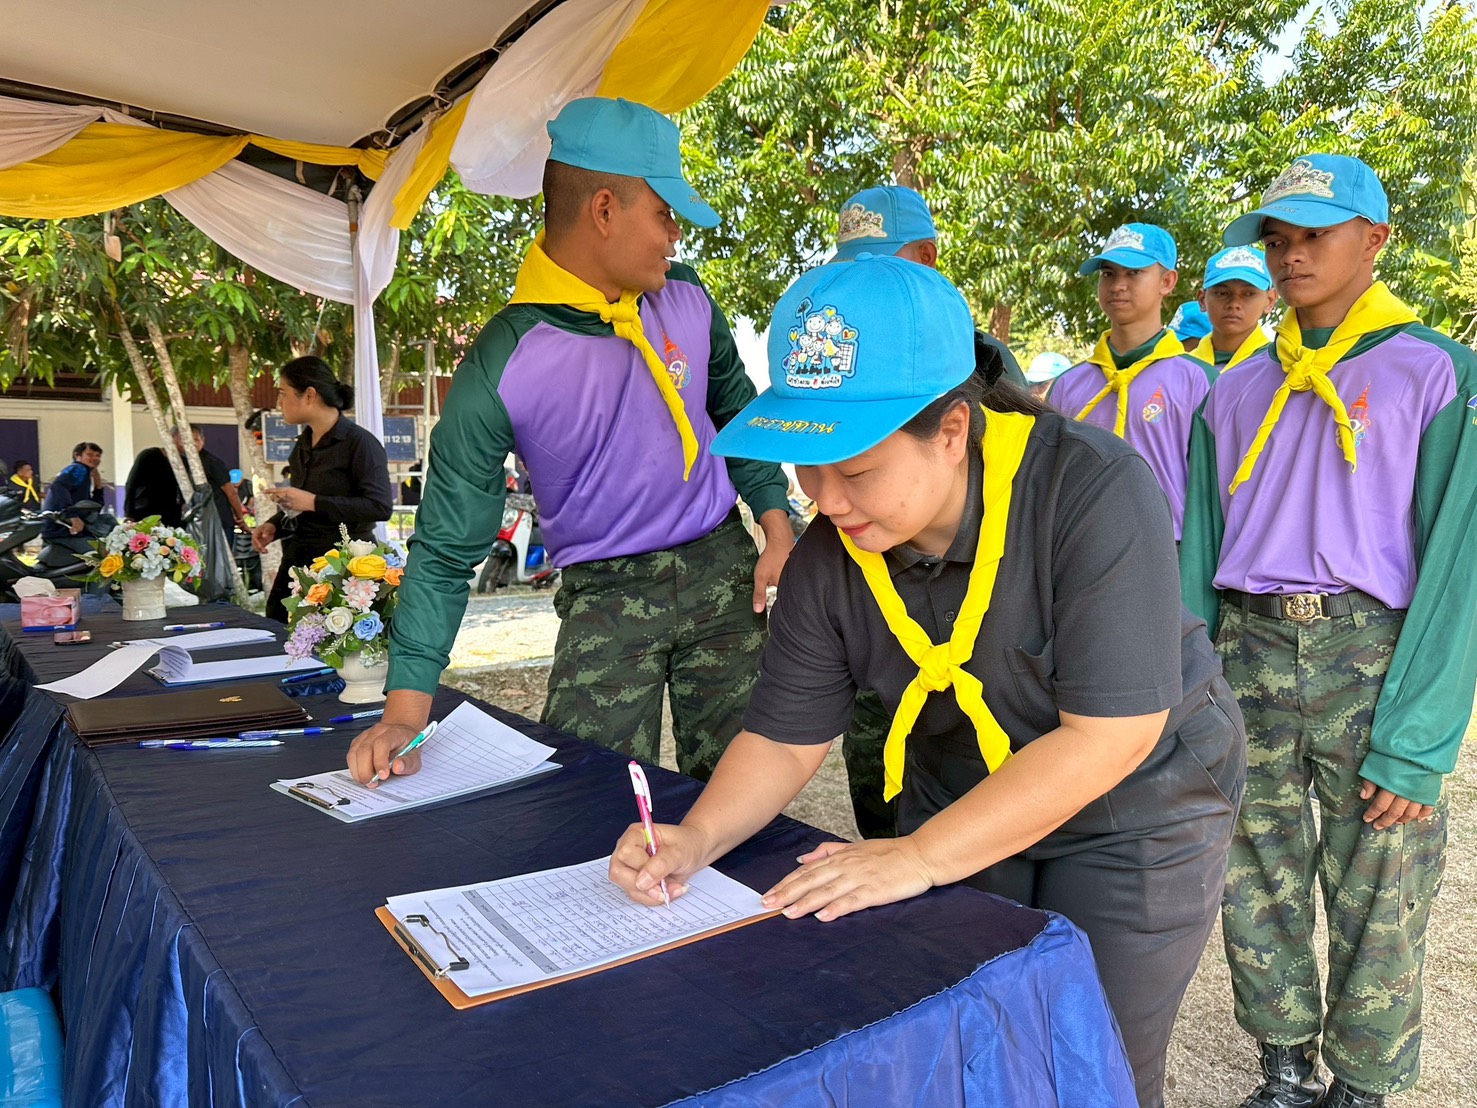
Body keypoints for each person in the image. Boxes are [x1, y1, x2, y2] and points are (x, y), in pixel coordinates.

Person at [608, 256, 1243, 1107]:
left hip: (1136, 803)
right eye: (806, 469)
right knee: (959, 1034)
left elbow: (1112, 735)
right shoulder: (830, 557)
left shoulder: (1088, 488)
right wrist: (696, 838)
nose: (826, 501)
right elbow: (786, 737)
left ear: (951, 432)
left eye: (853, 470)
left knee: (1089, 1051)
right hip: (964, 787)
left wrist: (917, 856)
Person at [347, 97, 792, 787]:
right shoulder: (504, 360)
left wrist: (776, 523)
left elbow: (736, 409)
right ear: (604, 210)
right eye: (664, 214)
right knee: (588, 797)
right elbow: (446, 548)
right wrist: (405, 713)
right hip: (605, 596)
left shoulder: (687, 298)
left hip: (725, 577)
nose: (675, 237)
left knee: (742, 788)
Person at [1180, 154, 1477, 1108]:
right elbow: (1198, 554)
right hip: (1247, 646)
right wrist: (1186, 691)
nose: (1290, 255)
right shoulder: (1232, 390)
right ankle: (1281, 1068)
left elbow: (1458, 563)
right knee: (1251, 869)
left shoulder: (1436, 371)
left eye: (1313, 234)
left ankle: (1360, 1084)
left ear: (1375, 239)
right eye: (1276, 238)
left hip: (1371, 652)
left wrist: (1417, 740)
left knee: (1381, 879)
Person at [1048, 224, 1212, 540]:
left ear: (1167, 281)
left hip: (1166, 547)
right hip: (1082, 545)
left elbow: (1210, 494)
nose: (1118, 286)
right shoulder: (1069, 385)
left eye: (1134, 273)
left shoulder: (1198, 381)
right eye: (1108, 274)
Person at [833, 184, 1028, 389]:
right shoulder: (840, 352)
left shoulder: (985, 361)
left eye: (879, 266)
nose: (860, 277)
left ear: (926, 256)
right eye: (849, 266)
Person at [253, 356, 393, 623]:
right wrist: (275, 525)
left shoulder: (359, 443)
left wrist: (314, 502)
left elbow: (380, 506)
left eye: (283, 393)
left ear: (309, 395)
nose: (279, 402)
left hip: (344, 568)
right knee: (277, 625)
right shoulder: (303, 443)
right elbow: (302, 504)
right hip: (299, 559)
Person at [125, 425, 246, 543]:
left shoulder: (197, 462)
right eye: (184, 439)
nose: (189, 444)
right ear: (172, 439)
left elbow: (229, 491)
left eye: (195, 440)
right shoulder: (149, 456)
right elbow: (131, 485)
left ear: (203, 441)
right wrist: (129, 514)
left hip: (177, 520)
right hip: (145, 516)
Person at [1192, 245, 1279, 373]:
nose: (1234, 304)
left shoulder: (1280, 367)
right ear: (1202, 300)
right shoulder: (1182, 368)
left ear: (1270, 301)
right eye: (1222, 293)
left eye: (1248, 294)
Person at [40, 442, 105, 555]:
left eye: (98, 456)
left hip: (68, 530)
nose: (95, 458)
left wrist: (98, 484)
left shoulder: (84, 473)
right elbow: (58, 486)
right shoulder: (78, 468)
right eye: (89, 455)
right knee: (101, 556)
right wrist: (72, 516)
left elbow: (95, 507)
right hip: (63, 530)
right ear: (77, 455)